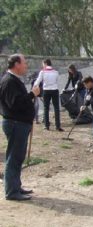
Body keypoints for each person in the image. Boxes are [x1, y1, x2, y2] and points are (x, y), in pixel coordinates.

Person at [0, 54, 41, 200]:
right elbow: (15, 103)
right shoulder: (9, 81)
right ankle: (11, 192)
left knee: (17, 157)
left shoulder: (13, 80)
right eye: (24, 63)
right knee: (13, 158)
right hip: (15, 124)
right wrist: (32, 94)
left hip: (19, 124)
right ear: (16, 64)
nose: (26, 65)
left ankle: (16, 187)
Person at [34, 59, 64, 131]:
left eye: (43, 64)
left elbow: (38, 81)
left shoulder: (43, 72)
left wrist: (34, 87)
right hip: (54, 90)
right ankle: (58, 126)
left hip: (46, 90)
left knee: (46, 108)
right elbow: (57, 81)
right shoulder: (56, 72)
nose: (42, 65)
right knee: (56, 108)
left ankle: (46, 126)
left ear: (46, 63)